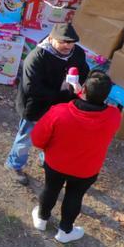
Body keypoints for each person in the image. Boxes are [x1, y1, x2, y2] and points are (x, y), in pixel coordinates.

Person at [29, 71, 122, 243]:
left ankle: (41, 219)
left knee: (51, 189)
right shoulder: (114, 115)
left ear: (84, 88)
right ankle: (65, 231)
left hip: (56, 163)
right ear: (108, 95)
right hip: (87, 169)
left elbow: (37, 139)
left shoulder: (59, 112)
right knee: (75, 196)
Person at [6, 22, 89, 185]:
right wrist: (63, 92)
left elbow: (84, 71)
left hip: (62, 108)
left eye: (71, 42)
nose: (67, 46)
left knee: (53, 138)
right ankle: (14, 165)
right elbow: (32, 88)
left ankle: (46, 161)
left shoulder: (76, 53)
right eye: (63, 42)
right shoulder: (37, 57)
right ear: (51, 39)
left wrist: (79, 85)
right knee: (25, 139)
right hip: (36, 107)